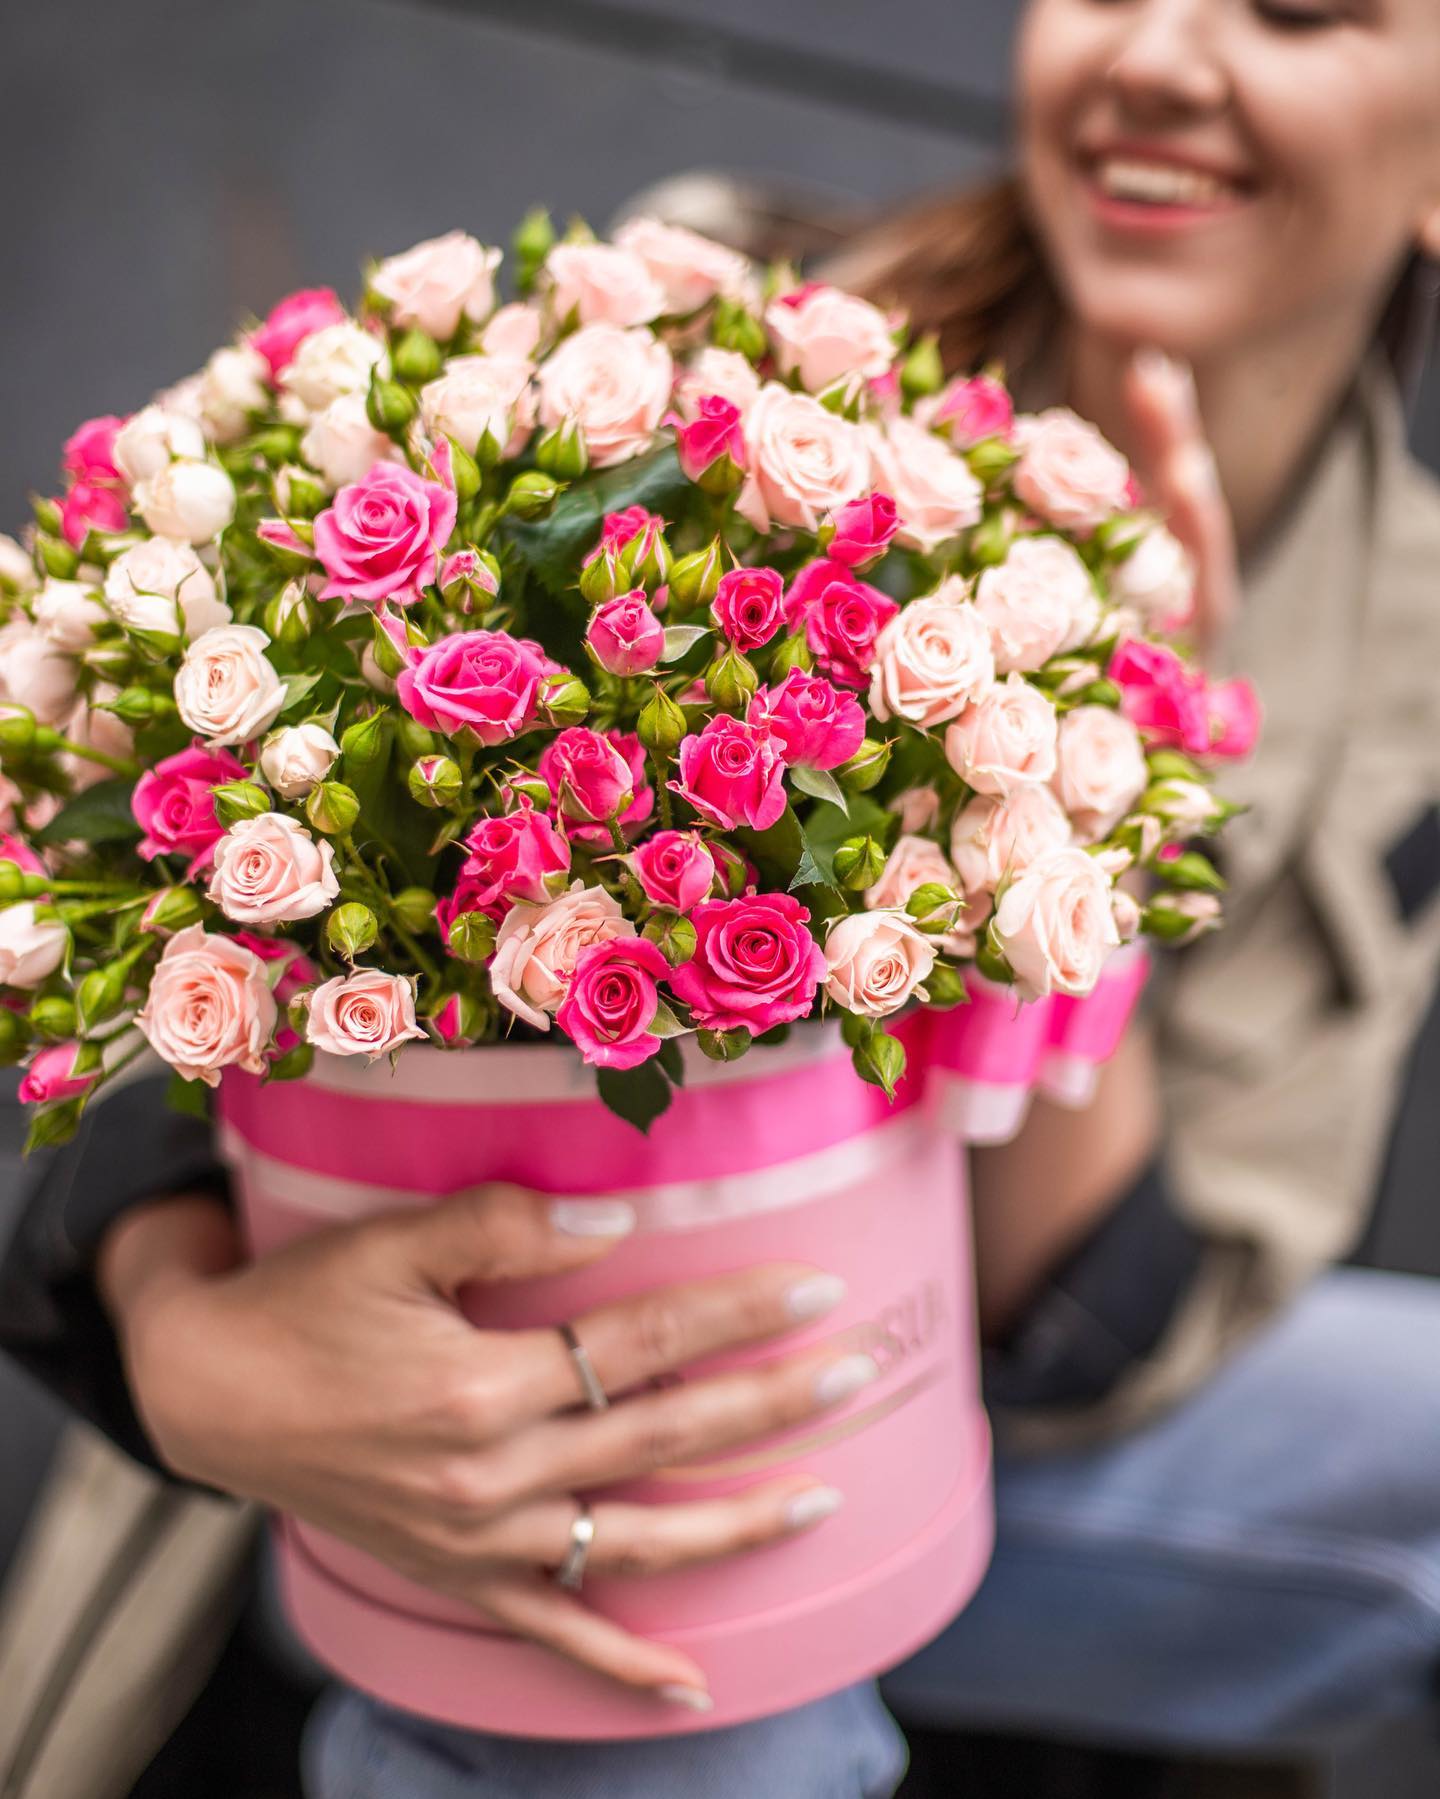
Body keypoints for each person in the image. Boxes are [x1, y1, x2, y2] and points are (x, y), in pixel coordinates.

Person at [5, 2, 1440, 1794]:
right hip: (443, 1394)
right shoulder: (712, 310)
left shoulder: (1412, 655)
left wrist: (1097, 788)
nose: (1157, 53)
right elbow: (202, 985)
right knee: (676, 1683)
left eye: (1296, 7)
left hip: (935, 1392)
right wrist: (175, 1334)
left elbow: (1095, 1343)